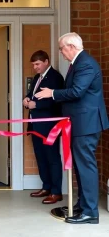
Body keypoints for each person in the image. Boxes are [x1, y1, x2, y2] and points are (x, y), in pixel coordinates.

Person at [35, 32, 109, 224]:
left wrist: (52, 93)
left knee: (85, 167)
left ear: (71, 47)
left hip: (87, 124)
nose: (61, 52)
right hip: (81, 123)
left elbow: (76, 92)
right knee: (80, 166)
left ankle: (90, 212)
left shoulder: (85, 63)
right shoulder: (78, 63)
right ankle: (83, 205)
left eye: (62, 48)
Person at [23, 50, 64, 204]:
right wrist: (27, 99)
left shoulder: (55, 77)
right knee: (41, 157)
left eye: (37, 64)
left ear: (46, 61)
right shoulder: (37, 78)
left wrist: (36, 104)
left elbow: (56, 100)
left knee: (52, 158)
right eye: (33, 65)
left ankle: (56, 192)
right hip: (35, 125)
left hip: (49, 127)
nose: (35, 67)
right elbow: (32, 94)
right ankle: (46, 187)